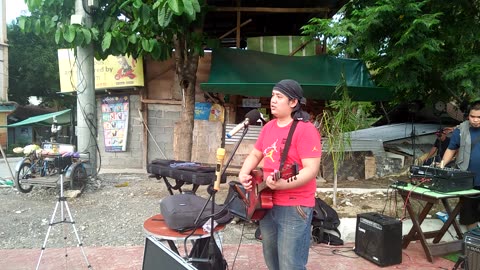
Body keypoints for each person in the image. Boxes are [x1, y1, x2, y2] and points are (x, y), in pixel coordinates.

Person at [238, 79, 322, 270]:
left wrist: (284, 184)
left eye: (279, 96)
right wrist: (244, 172)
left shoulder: (306, 130)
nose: (273, 100)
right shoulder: (268, 127)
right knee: (272, 260)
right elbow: (255, 154)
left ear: (293, 102)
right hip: (266, 202)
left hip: (294, 205)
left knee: (291, 264)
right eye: (273, 95)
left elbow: (311, 169)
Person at [441, 100, 480, 231]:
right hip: (467, 181)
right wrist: (442, 164)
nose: (475, 120)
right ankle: (473, 244)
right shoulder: (461, 130)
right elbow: (451, 149)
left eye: (479, 117)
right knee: (469, 215)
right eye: (472, 116)